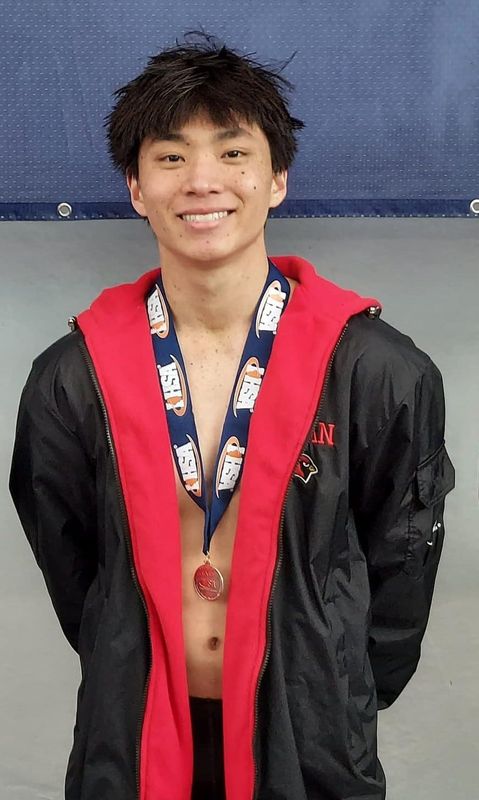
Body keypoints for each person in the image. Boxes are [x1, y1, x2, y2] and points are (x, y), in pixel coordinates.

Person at [10, 32, 455, 800]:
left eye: (233, 153)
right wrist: (124, 655)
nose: (202, 181)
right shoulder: (71, 377)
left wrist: (331, 681)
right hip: (134, 731)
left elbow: (400, 565)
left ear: (276, 179)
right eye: (171, 157)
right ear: (135, 187)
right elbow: (73, 559)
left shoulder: (379, 370)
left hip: (308, 734)